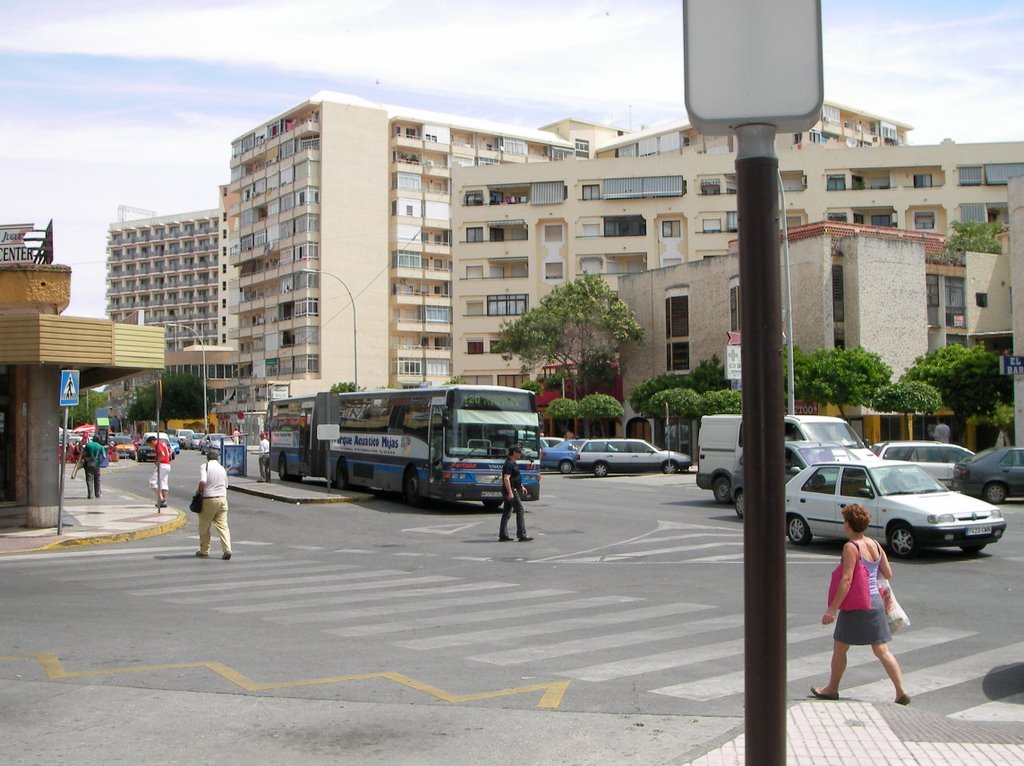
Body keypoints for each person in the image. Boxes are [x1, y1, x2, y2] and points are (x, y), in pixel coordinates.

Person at [811, 503, 910, 706]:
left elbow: (846, 580)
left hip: (857, 603)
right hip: (875, 602)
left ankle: (832, 688)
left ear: (848, 524)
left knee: (840, 648)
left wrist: (832, 609)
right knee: (882, 650)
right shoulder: (874, 544)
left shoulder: (851, 547)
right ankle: (901, 691)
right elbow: (888, 573)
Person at [195, 447, 232, 560]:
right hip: (222, 499)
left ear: (207, 458)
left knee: (204, 526)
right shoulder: (222, 468)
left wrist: (198, 492)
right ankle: (227, 549)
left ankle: (204, 550)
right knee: (223, 525)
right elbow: (226, 485)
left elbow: (203, 481)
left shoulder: (205, 466)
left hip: (209, 498)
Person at [499, 444, 532, 542]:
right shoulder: (509, 463)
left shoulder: (513, 462)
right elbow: (506, 478)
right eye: (519, 452)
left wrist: (521, 486)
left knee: (507, 512)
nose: (520, 454)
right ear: (514, 453)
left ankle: (503, 535)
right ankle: (522, 534)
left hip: (512, 489)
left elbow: (515, 477)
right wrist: (510, 492)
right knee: (520, 509)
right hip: (510, 490)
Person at [147, 435, 172, 510]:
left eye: (149, 444)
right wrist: (167, 458)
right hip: (167, 465)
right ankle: (164, 501)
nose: (150, 446)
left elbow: (162, 454)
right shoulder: (163, 443)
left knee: (152, 483)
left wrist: (158, 461)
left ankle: (161, 499)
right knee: (164, 483)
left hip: (162, 465)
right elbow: (170, 451)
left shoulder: (158, 445)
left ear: (152, 442)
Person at [82, 434, 105, 499]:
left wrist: (84, 460)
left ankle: (90, 495)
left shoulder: (88, 445)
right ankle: (97, 494)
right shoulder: (100, 446)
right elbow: (104, 456)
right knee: (97, 480)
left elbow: (84, 454)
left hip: (88, 464)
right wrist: (100, 463)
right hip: (97, 464)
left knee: (89, 479)